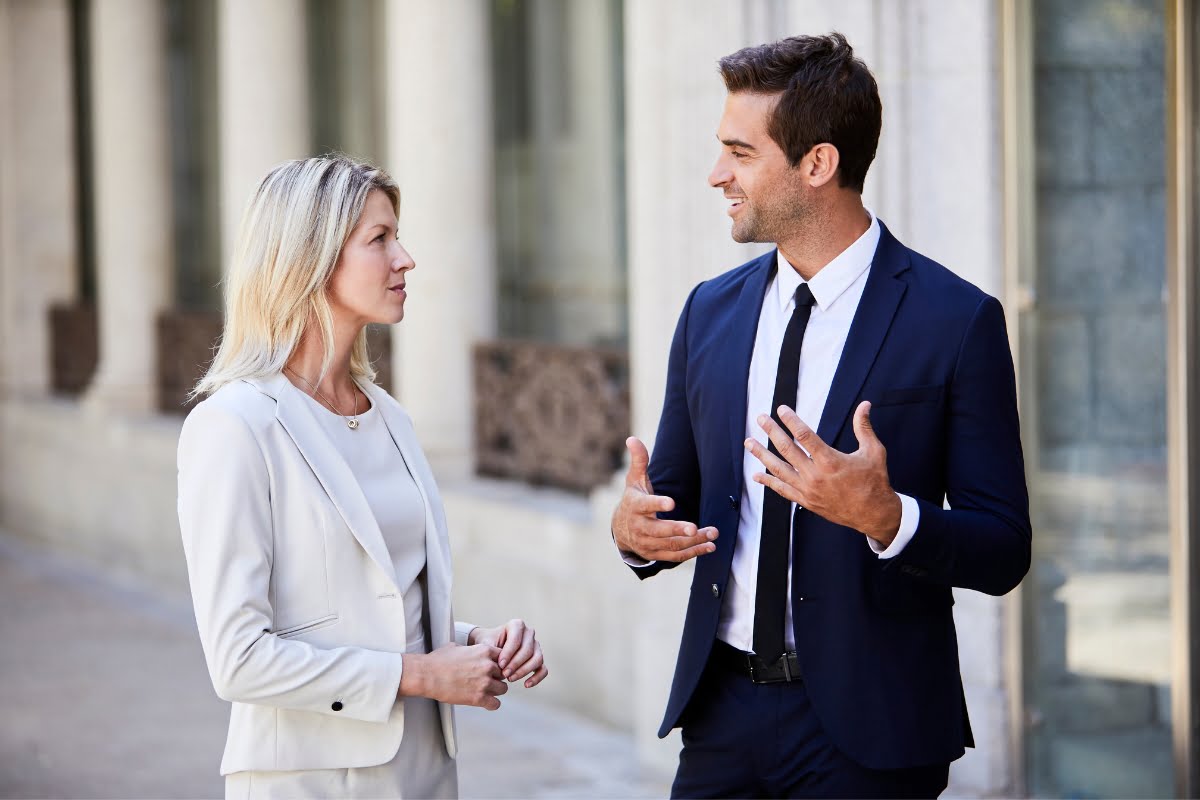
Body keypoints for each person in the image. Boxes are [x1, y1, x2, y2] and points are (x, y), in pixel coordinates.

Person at [611, 33, 1030, 799]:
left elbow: (1004, 549)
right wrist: (634, 533)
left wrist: (886, 517)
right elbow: (667, 505)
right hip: (721, 718)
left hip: (873, 734)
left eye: (740, 153)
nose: (716, 176)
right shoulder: (709, 312)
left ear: (817, 164)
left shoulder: (955, 320)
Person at [178, 155, 548, 799]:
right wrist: (422, 675)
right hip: (307, 780)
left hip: (424, 773)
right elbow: (239, 660)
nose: (405, 258)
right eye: (379, 240)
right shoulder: (235, 425)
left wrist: (471, 643)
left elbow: (369, 613)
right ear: (310, 260)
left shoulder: (391, 419)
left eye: (396, 237)